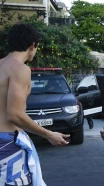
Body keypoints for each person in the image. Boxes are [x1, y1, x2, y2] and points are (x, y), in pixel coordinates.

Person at [0, 23, 70, 185]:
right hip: (8, 144)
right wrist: (49, 134)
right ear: (32, 46)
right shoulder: (20, 69)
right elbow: (14, 114)